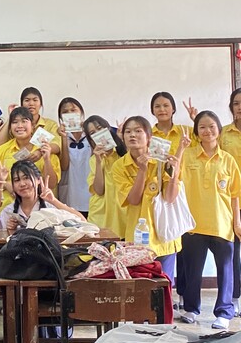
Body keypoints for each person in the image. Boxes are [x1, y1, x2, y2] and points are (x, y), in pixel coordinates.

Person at [179, 111, 241, 330]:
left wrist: (237, 223)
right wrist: (179, 151)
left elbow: (235, 195)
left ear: (219, 130)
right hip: (193, 224)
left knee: (226, 270)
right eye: (202, 127)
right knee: (192, 270)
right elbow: (174, 180)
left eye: (212, 126)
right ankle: (191, 308)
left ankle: (224, 312)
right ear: (196, 132)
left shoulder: (228, 160)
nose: (207, 131)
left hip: (222, 224)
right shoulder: (187, 156)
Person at [112, 116, 184, 282]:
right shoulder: (119, 166)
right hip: (138, 236)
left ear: (149, 137)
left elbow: (170, 198)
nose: (132, 135)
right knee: (141, 286)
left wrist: (175, 174)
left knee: (163, 285)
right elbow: (134, 200)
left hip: (164, 234)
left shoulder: (162, 161)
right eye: (128, 132)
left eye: (138, 131)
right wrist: (142, 171)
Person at [0, 107, 60, 213]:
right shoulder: (3, 149)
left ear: (33, 126)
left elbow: (51, 185)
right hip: (7, 210)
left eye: (24, 121)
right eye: (15, 122)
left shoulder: (45, 149)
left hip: (41, 211)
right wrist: (5, 183)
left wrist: (46, 159)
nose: (19, 126)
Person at [0, 160, 85, 234]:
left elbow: (81, 221)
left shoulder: (50, 208)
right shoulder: (9, 211)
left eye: (26, 178)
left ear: (38, 180)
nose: (22, 184)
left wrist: (54, 201)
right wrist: (10, 230)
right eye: (17, 180)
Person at [83, 115, 127, 237]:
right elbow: (99, 190)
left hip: (122, 212)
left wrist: (123, 139)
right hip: (101, 213)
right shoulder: (94, 159)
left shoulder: (124, 153)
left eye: (100, 128)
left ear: (108, 129)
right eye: (92, 133)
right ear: (91, 140)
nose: (98, 134)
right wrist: (98, 161)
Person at [220, 87, 241, 317]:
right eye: (236, 103)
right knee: (232, 253)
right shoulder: (223, 133)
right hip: (231, 201)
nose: (240, 107)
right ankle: (235, 298)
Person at [0, 87, 61, 155]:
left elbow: (57, 147)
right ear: (22, 104)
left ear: (41, 104)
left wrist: (40, 151)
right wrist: (11, 117)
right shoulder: (16, 125)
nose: (31, 103)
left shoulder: (51, 124)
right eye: (27, 100)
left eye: (35, 100)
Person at [57, 97, 92, 216]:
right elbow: (64, 166)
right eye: (65, 112)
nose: (70, 114)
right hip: (71, 192)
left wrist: (88, 130)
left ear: (81, 113)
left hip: (91, 190)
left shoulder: (91, 132)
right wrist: (63, 138)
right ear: (61, 117)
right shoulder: (59, 136)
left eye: (73, 110)